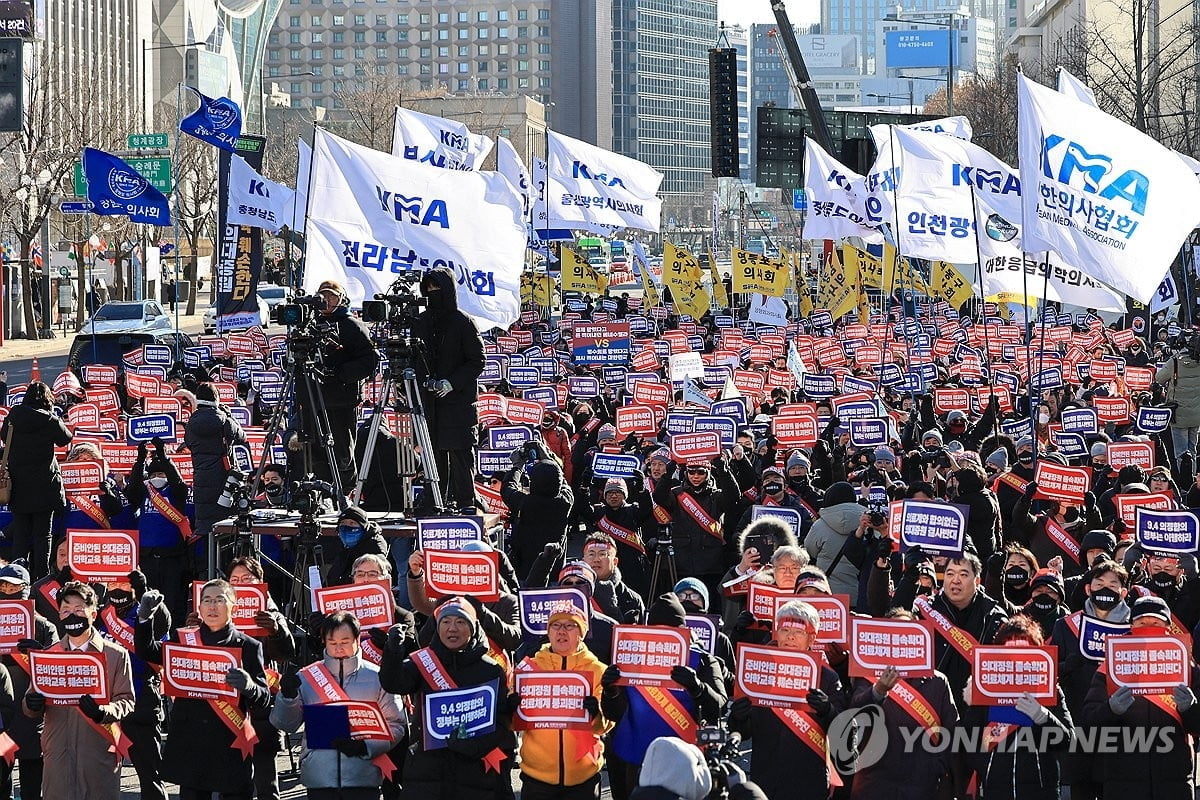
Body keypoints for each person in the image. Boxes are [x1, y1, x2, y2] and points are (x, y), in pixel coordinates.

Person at [135, 579, 272, 800]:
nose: (212, 606)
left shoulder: (248, 646)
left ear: (233, 607)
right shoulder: (185, 639)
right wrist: (144, 618)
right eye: (207, 601)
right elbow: (147, 651)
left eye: (219, 600)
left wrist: (249, 686)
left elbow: (264, 698)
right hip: (192, 743)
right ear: (199, 609)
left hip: (231, 744)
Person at [378, 598, 518, 800]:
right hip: (425, 777)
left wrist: (474, 747)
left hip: (474, 775)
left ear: (473, 627)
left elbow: (500, 724)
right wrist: (392, 651)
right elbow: (393, 684)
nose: (452, 628)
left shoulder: (491, 669)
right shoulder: (422, 662)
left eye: (460, 622)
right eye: (446, 622)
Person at [270, 611, 406, 799]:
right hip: (319, 777)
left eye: (345, 642)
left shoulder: (378, 677)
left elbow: (397, 725)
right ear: (324, 641)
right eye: (333, 643)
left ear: (357, 639)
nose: (339, 648)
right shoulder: (307, 677)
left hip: (363, 776)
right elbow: (286, 724)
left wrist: (365, 747)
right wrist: (287, 697)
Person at [23, 581, 135, 800]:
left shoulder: (116, 655)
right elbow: (29, 706)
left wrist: (103, 711)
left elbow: (127, 700)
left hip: (97, 755)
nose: (71, 615)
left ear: (93, 614)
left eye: (78, 609)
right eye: (65, 610)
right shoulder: (48, 655)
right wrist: (31, 703)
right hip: (57, 756)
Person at [1084, 594, 1200, 798]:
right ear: (1131, 626)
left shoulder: (1188, 669)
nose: (1149, 627)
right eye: (1142, 622)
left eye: (1156, 622)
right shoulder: (1110, 668)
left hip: (1175, 781)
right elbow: (1088, 723)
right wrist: (1111, 709)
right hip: (1122, 782)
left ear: (1168, 627)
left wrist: (1191, 709)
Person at [728, 600, 845, 800]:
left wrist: (828, 711)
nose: (790, 636)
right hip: (764, 780)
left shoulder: (827, 677)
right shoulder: (758, 669)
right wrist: (738, 718)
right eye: (784, 630)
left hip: (808, 783)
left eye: (798, 632)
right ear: (776, 633)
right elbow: (743, 732)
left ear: (812, 638)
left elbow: (844, 735)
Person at [517, 604, 612, 800]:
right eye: (556, 625)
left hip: (583, 778)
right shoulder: (529, 669)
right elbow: (512, 722)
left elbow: (606, 725)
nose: (561, 631)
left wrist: (597, 714)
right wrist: (511, 708)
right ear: (548, 632)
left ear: (582, 633)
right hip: (536, 778)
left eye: (570, 626)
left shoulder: (599, 671)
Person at [413, 266, 486, 511]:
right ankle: (435, 501)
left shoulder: (463, 322)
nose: (433, 292)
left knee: (460, 457)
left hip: (458, 405)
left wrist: (452, 383)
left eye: (437, 288)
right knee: (433, 457)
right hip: (430, 404)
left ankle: (466, 502)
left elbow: (477, 360)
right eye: (429, 288)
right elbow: (414, 357)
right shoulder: (421, 322)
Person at [306, 280, 379, 490]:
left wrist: (340, 374)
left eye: (331, 296)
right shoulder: (310, 324)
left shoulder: (352, 325)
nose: (327, 300)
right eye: (323, 296)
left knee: (343, 453)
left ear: (342, 298)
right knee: (314, 451)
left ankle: (346, 492)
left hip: (341, 400)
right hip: (313, 399)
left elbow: (370, 359)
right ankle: (319, 492)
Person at [0, 381, 72, 578]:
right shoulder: (49, 419)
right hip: (44, 487)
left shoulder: (14, 416)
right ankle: (41, 577)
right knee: (43, 535)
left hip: (18, 486)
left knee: (21, 534)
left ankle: (17, 575)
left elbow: (4, 436)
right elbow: (66, 438)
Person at [0, 563, 54, 800]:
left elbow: (57, 670)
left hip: (32, 714)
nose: (7, 591)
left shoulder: (44, 626)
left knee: (33, 788)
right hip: (2, 716)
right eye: (3, 585)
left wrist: (40, 653)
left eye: (14, 587)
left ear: (26, 589)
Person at [124, 438, 192, 623]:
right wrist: (139, 461)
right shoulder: (144, 491)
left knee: (173, 602)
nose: (158, 477)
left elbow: (179, 484)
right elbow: (132, 494)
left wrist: (164, 456)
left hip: (172, 559)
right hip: (147, 559)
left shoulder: (176, 492)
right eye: (154, 474)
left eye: (161, 473)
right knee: (147, 602)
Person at [181, 383, 246, 541]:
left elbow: (188, 443)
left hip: (201, 479)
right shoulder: (224, 420)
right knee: (225, 530)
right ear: (216, 398)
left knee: (206, 531)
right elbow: (242, 437)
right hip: (223, 481)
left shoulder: (191, 423)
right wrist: (229, 415)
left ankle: (208, 564)